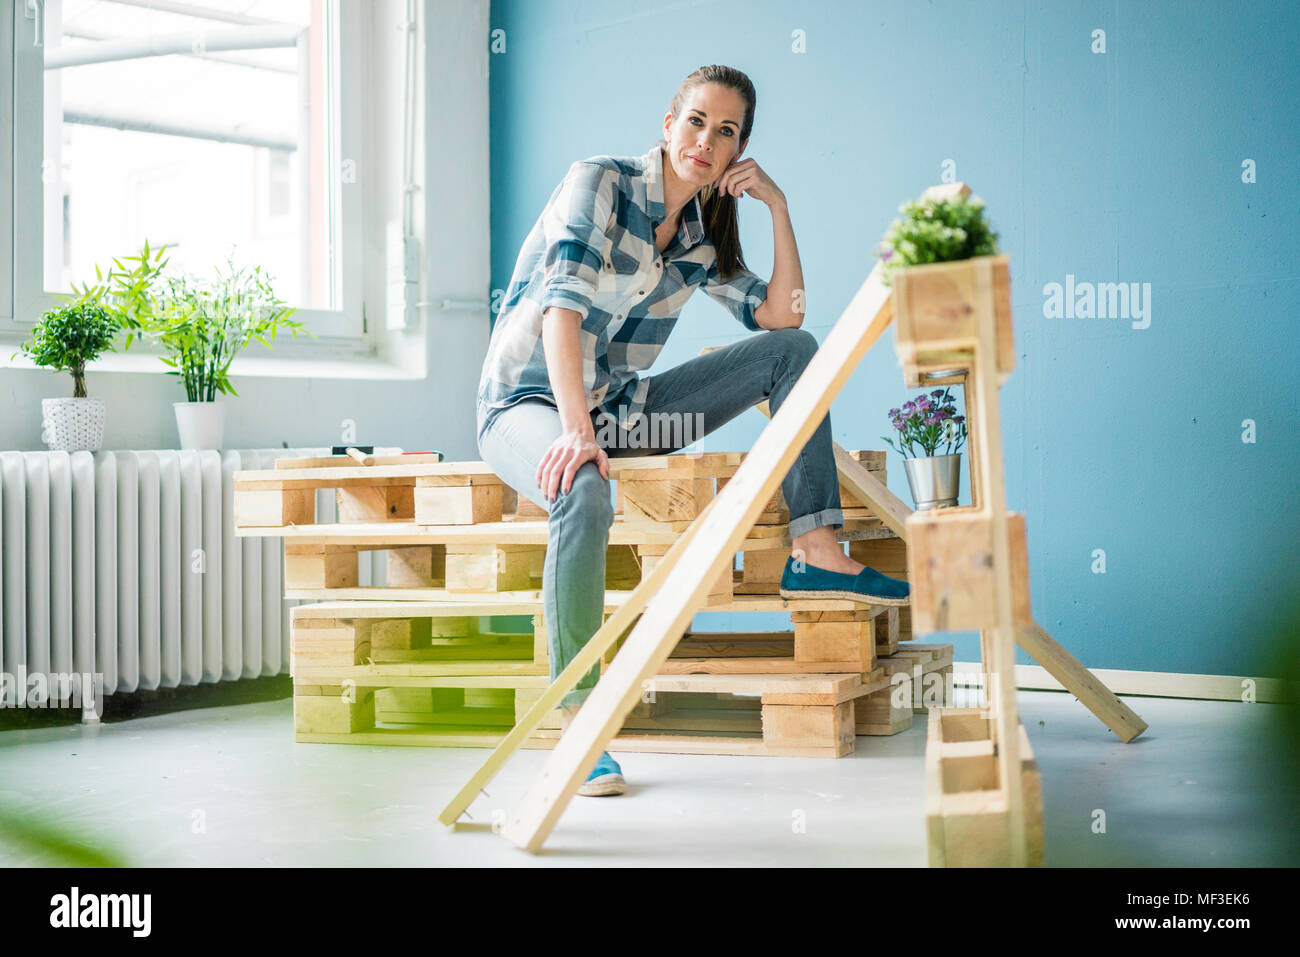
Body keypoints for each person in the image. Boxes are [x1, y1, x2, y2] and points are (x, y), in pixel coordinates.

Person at [476, 65, 909, 797]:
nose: (706, 141)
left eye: (728, 131)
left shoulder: (702, 237)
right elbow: (561, 313)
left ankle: (816, 547)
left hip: (623, 407)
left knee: (793, 356)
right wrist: (578, 432)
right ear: (669, 121)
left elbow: (784, 317)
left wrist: (777, 206)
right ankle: (582, 726)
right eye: (697, 121)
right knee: (582, 493)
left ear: (739, 149)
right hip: (528, 399)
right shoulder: (599, 183)